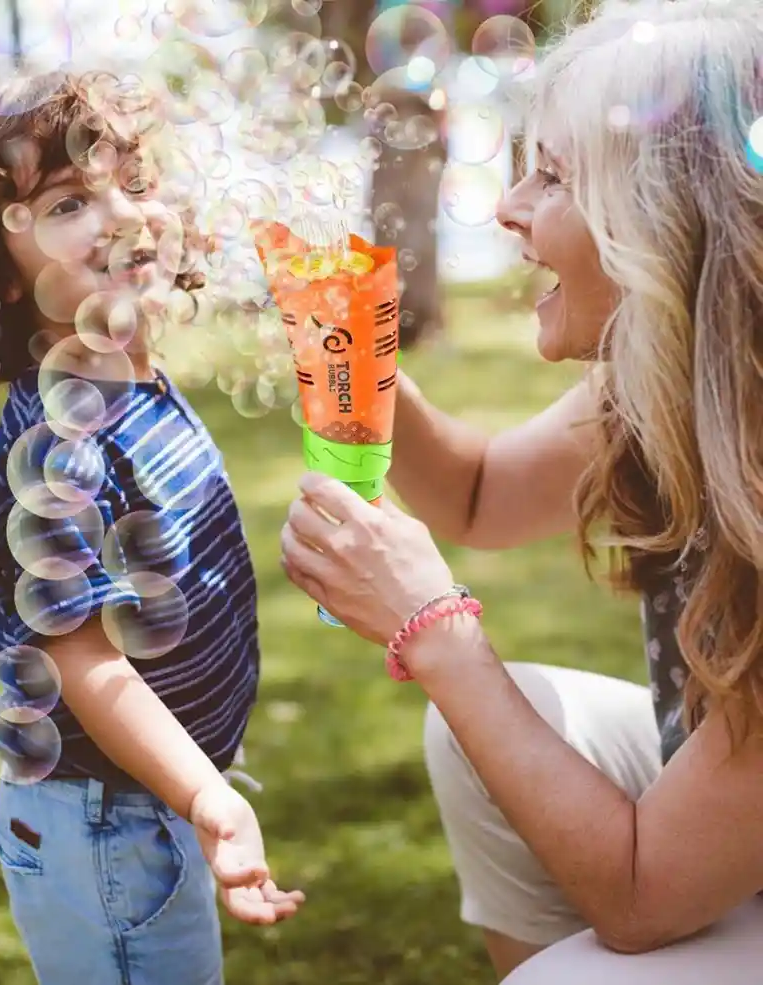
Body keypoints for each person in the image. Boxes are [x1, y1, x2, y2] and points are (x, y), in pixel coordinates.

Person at [280, 0, 763, 981]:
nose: (507, 209)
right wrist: (361, 364)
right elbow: (476, 497)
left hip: (683, 865)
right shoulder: (662, 387)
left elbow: (638, 899)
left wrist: (434, 628)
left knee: (575, 969)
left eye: (552, 176)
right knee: (507, 726)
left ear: (666, 223)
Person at [0, 71, 303, 985]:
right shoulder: (57, 445)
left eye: (136, 181)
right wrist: (206, 794)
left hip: (145, 793)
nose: (121, 213)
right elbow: (85, 660)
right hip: (100, 815)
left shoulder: (135, 381)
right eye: (71, 199)